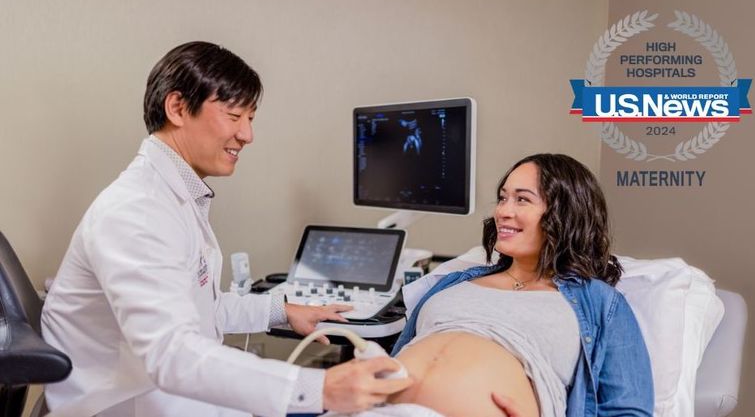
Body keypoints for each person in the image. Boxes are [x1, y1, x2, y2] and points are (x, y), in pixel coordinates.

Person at [40, 41, 413, 417]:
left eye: (250, 119)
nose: (247, 135)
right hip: (124, 404)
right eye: (235, 116)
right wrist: (319, 388)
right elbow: (172, 354)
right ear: (178, 108)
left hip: (156, 391)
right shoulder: (136, 212)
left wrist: (281, 310)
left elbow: (200, 308)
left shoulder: (172, 196)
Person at [377, 154, 653, 417]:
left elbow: (627, 410)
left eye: (522, 199)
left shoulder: (601, 302)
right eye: (503, 198)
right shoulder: (453, 281)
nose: (503, 211)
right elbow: (396, 357)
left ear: (565, 213)